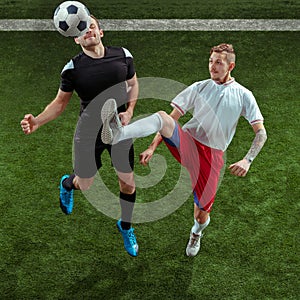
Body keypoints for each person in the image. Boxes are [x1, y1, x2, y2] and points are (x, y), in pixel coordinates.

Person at [101, 43, 267, 257]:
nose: (213, 66)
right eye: (211, 61)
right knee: (162, 117)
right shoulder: (199, 87)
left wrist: (248, 160)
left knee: (201, 216)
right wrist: (152, 147)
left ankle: (196, 234)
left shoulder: (244, 95)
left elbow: (261, 133)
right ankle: (118, 133)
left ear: (231, 66)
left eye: (219, 62)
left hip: (212, 156)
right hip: (187, 142)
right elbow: (172, 119)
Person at [20, 15, 139, 257]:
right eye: (82, 29)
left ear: (100, 31)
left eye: (91, 26)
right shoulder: (73, 69)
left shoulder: (123, 55)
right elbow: (60, 103)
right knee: (86, 184)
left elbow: (133, 84)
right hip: (89, 132)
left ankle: (125, 226)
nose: (88, 31)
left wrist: (129, 111)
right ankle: (67, 183)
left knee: (128, 184)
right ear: (76, 38)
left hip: (118, 127)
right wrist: (38, 121)